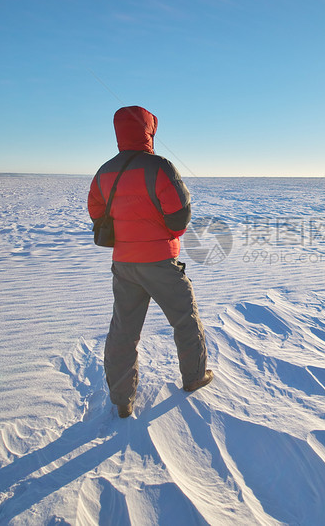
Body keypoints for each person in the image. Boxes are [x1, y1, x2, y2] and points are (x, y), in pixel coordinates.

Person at [88, 105, 213, 418]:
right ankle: (194, 377)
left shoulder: (104, 171)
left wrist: (126, 234)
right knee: (185, 318)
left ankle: (122, 399)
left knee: (123, 330)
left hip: (124, 263)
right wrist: (163, 234)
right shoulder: (159, 167)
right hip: (159, 261)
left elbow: (96, 211)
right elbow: (179, 216)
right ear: (149, 129)